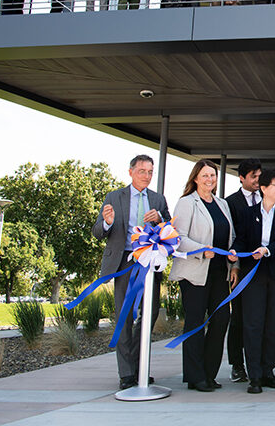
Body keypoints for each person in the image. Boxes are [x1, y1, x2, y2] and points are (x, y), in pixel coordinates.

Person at [91, 155, 170, 390]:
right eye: (142, 171)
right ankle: (126, 374)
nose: (146, 176)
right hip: (125, 263)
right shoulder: (114, 197)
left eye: (150, 172)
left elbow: (169, 228)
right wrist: (107, 222)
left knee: (151, 314)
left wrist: (160, 220)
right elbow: (97, 232)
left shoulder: (158, 198)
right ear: (131, 172)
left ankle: (139, 367)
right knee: (125, 317)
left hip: (150, 264)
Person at [168, 160, 238, 392]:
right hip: (194, 273)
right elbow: (178, 237)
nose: (210, 180)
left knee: (220, 321)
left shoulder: (222, 204)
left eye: (213, 176)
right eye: (205, 175)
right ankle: (195, 376)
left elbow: (231, 235)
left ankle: (209, 373)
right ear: (196, 178)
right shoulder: (186, 203)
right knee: (195, 324)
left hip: (219, 272)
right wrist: (200, 249)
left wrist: (233, 256)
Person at [231, 168, 275, 394]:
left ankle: (269, 372)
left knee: (274, 324)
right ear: (264, 188)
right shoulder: (248, 214)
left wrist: (267, 250)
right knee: (253, 324)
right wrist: (234, 252)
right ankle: (254, 376)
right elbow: (241, 240)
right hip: (253, 275)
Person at [224, 157, 264, 383]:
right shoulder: (231, 202)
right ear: (242, 178)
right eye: (253, 177)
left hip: (263, 266)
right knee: (238, 317)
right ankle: (237, 365)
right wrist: (235, 267)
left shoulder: (267, 197)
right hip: (241, 267)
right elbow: (232, 238)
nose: (258, 181)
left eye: (260, 176)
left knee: (257, 319)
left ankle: (258, 363)